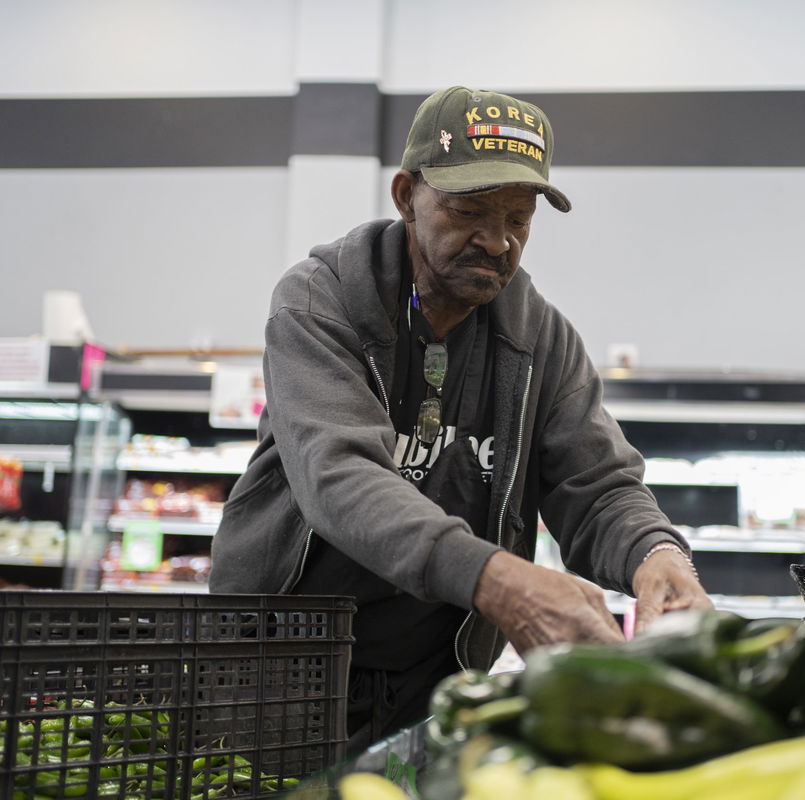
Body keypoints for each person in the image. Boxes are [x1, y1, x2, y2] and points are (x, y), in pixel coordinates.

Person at [209, 86, 711, 749]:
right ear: (405, 196)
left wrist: (657, 555)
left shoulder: (541, 343)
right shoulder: (320, 301)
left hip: (438, 683)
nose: (497, 240)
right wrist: (500, 581)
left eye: (519, 218)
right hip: (275, 672)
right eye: (468, 210)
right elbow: (340, 476)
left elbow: (598, 489)